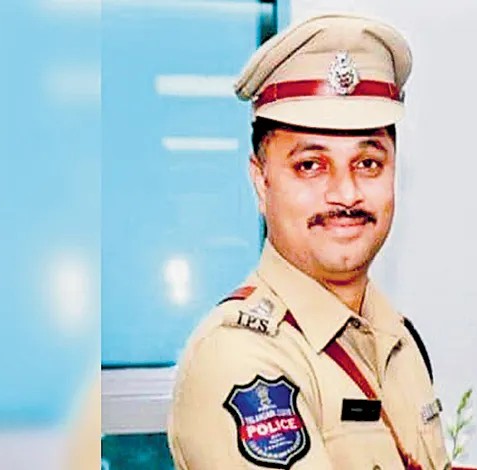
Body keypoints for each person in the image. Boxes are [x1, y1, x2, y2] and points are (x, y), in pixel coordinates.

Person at [167, 13, 450, 470]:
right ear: (261, 182)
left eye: (368, 163)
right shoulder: (241, 361)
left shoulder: (396, 337)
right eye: (311, 166)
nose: (346, 194)